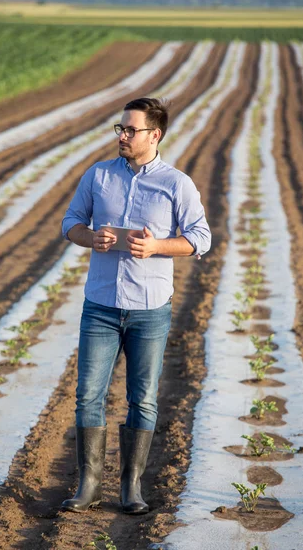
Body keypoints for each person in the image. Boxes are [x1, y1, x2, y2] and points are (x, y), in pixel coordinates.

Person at [61, 97, 211, 515]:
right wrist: (91, 238)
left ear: (154, 135)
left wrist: (157, 246)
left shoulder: (176, 183)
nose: (122, 136)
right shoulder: (99, 175)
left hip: (149, 310)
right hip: (101, 306)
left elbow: (201, 237)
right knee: (88, 395)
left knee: (142, 399)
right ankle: (88, 486)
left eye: (130, 130)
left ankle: (131, 488)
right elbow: (70, 222)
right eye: (120, 129)